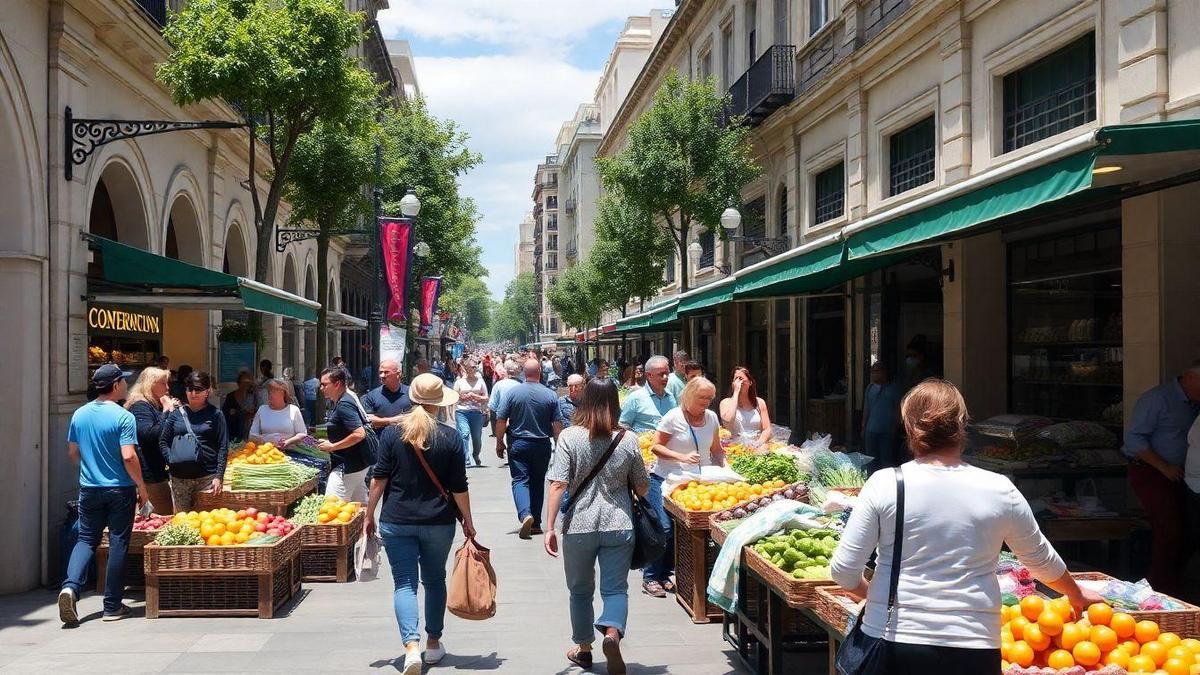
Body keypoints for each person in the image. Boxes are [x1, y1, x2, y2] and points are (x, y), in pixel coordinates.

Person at [830, 379, 1103, 672]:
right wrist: (1075, 592)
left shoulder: (885, 484)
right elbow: (1040, 560)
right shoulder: (1000, 489)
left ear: (908, 427)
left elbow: (844, 571)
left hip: (893, 641)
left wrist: (874, 594)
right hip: (973, 645)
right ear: (962, 425)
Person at [365, 373, 477, 675]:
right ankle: (431, 643)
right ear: (439, 404)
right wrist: (468, 521)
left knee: (404, 584)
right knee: (434, 580)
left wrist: (368, 515)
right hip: (438, 521)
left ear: (413, 398)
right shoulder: (450, 436)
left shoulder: (392, 434)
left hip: (396, 519)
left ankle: (410, 646)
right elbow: (459, 487)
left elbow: (379, 478)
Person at [545, 379, 650, 674]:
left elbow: (557, 484)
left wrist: (550, 526)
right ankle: (612, 633)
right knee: (616, 589)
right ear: (616, 403)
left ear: (585, 401)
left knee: (579, 590)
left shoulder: (569, 437)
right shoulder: (627, 439)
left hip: (579, 525)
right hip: (619, 523)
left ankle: (584, 649)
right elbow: (642, 488)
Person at [59, 364, 148, 624]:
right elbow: (129, 456)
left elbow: (73, 453)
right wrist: (142, 488)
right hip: (119, 489)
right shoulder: (123, 416)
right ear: (116, 384)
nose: (126, 385)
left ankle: (70, 587)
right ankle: (112, 606)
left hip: (89, 488)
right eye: (123, 381)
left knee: (86, 540)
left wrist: (92, 467)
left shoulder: (79, 414)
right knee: (119, 542)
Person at [1122, 361, 1200, 596]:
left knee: (1188, 529)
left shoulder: (1194, 403)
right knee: (1169, 528)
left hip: (1182, 474)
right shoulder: (1157, 399)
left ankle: (1173, 581)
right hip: (1151, 470)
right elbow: (1134, 441)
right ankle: (1160, 588)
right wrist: (1163, 467)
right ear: (1188, 378)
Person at [644, 377, 724, 598]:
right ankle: (651, 576)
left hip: (696, 484)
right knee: (665, 528)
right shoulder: (673, 418)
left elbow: (716, 449)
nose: (706, 402)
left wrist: (726, 468)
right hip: (665, 479)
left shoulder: (712, 418)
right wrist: (682, 456)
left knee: (685, 531)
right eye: (702, 398)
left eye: (710, 398)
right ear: (689, 395)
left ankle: (668, 572)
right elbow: (656, 447)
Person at [495, 359, 563, 539]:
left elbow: (501, 419)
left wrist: (499, 441)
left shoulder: (512, 393)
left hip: (518, 443)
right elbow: (557, 424)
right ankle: (536, 524)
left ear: (524, 373)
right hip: (542, 444)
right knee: (537, 482)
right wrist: (560, 447)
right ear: (540, 371)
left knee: (520, 480)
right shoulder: (550, 395)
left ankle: (525, 514)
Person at [159, 370, 229, 511]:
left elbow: (223, 446)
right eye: (190, 389)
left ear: (207, 392)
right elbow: (163, 442)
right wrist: (171, 460)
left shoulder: (215, 414)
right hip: (180, 479)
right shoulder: (176, 415)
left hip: (207, 477)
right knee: (182, 521)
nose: (193, 393)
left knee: (207, 523)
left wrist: (219, 476)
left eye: (198, 390)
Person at [123, 366, 177, 513]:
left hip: (156, 471)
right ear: (150, 384)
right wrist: (166, 411)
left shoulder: (151, 404)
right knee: (161, 516)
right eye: (163, 383)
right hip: (149, 475)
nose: (167, 388)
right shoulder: (140, 406)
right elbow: (149, 435)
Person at [316, 367, 371, 502]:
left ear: (337, 384)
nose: (321, 388)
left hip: (347, 465)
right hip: (357, 464)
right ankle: (367, 522)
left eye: (324, 384)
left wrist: (332, 446)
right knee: (359, 507)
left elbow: (359, 434)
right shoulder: (341, 401)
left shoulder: (344, 404)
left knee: (332, 508)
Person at [618, 356, 676, 435]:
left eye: (667, 374)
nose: (665, 378)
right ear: (649, 375)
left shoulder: (670, 398)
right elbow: (623, 425)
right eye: (661, 374)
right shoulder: (635, 398)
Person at [863, 361, 904, 471]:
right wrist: (863, 426)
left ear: (885, 372)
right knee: (870, 460)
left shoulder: (894, 389)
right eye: (873, 372)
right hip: (871, 430)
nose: (874, 374)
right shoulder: (870, 388)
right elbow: (866, 409)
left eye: (878, 371)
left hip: (887, 432)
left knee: (886, 461)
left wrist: (896, 427)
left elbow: (899, 410)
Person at [719, 366, 772, 447]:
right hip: (735, 447)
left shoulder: (760, 402)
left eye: (741, 378)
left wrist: (759, 443)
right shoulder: (725, 402)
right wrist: (736, 393)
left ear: (750, 382)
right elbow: (728, 423)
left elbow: (767, 428)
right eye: (736, 379)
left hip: (757, 445)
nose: (738, 381)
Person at [248, 378, 308, 448]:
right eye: (269, 392)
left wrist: (288, 442)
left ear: (283, 393)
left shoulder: (294, 410)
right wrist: (264, 440)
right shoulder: (262, 410)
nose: (270, 395)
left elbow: (302, 433)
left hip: (290, 452)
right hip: (265, 452)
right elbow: (252, 435)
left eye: (273, 391)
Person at [453, 359, 489, 467]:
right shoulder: (459, 382)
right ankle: (466, 459)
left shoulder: (480, 381)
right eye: (472, 367)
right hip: (462, 411)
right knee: (464, 433)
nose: (475, 369)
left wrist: (477, 397)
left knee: (477, 437)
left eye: (475, 367)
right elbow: (454, 396)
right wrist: (463, 396)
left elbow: (486, 397)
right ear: (466, 369)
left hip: (476, 412)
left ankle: (476, 455)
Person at [363, 360, 413, 431]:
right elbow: (368, 420)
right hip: (381, 440)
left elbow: (417, 416)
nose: (382, 375)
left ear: (398, 374)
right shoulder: (372, 395)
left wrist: (380, 421)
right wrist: (393, 420)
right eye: (380, 372)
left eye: (386, 372)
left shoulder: (411, 393)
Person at [220, 370, 257, 440]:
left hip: (249, 432)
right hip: (233, 433)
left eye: (248, 382)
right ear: (239, 383)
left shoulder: (253, 396)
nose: (246, 384)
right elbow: (224, 413)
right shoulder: (230, 396)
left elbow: (257, 410)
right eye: (244, 382)